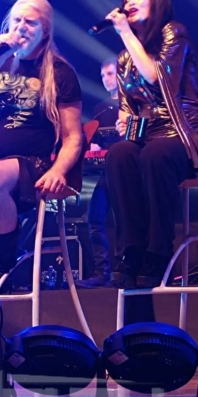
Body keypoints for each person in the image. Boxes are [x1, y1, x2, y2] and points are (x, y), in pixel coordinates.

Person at [0, 0, 84, 287]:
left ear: (45, 31)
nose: (21, 27)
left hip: (31, 165)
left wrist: (59, 170)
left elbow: (73, 136)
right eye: (17, 20)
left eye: (30, 22)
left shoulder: (60, 73)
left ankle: (1, 272)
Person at [103, 0, 198, 289]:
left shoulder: (173, 33)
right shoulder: (124, 58)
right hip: (149, 140)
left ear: (156, 1)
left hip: (191, 136)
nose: (129, 2)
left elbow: (158, 78)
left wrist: (125, 33)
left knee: (155, 154)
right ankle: (130, 249)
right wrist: (125, 123)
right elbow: (127, 108)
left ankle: (159, 249)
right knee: (119, 153)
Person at [79, 58, 119, 288]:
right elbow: (95, 140)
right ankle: (102, 272)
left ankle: (126, 270)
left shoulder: (134, 102)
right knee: (94, 218)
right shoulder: (100, 109)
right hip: (107, 172)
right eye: (103, 75)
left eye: (110, 73)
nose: (105, 79)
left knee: (126, 221)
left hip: (130, 174)